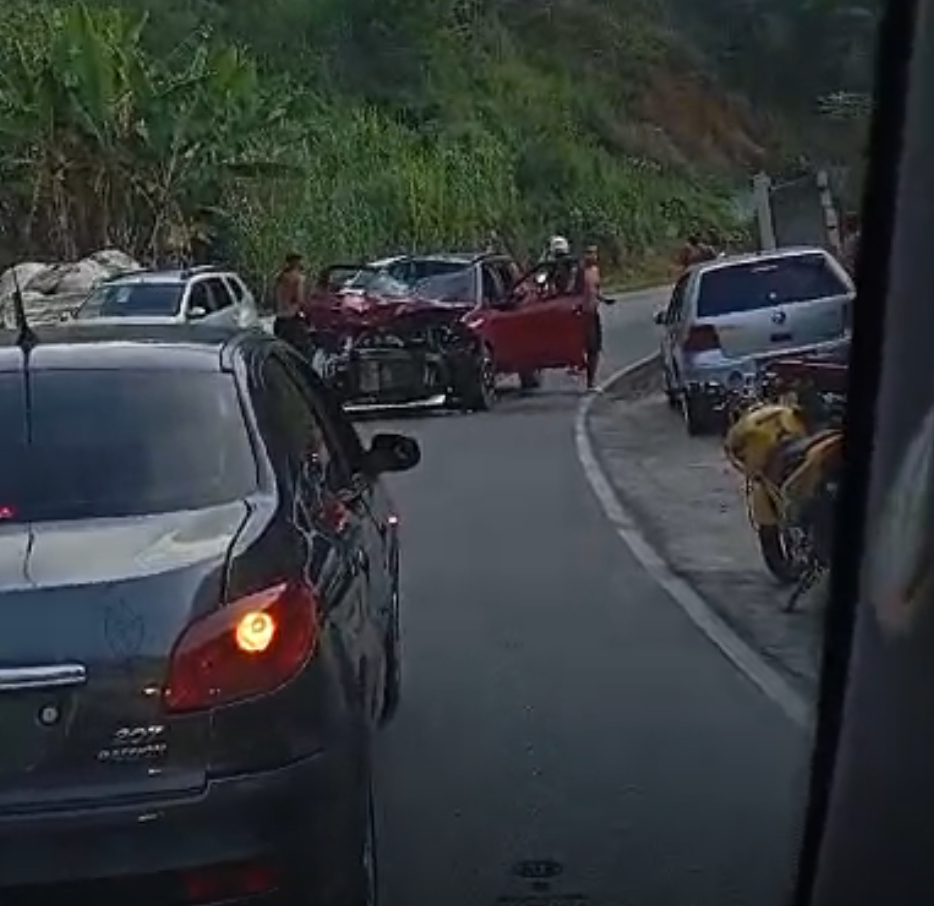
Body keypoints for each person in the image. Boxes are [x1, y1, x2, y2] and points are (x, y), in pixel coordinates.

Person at [581, 244, 614, 391]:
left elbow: (595, 290)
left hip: (593, 313)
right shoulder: (580, 272)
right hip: (581, 314)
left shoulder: (595, 271)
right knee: (585, 346)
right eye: (589, 253)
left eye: (594, 253)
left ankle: (591, 382)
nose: (592, 256)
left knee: (594, 348)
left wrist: (604, 299)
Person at [272, 252, 313, 357]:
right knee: (302, 353)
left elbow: (274, 298)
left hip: (279, 319)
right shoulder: (298, 278)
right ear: (296, 262)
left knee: (282, 352)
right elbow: (300, 300)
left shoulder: (279, 277)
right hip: (292, 320)